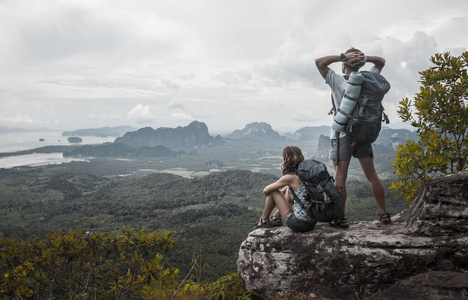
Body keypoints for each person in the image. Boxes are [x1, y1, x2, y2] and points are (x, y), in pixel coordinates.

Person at [315, 47, 391, 226]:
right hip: (363, 133)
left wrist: (344, 57)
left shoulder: (338, 81)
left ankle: (340, 217)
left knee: (340, 176)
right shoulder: (368, 79)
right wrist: (364, 58)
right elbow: (381, 62)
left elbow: (319, 62)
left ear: (343, 66)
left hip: (342, 134)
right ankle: (384, 213)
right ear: (359, 64)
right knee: (372, 175)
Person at [254, 146, 316, 232]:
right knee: (287, 188)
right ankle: (276, 217)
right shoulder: (304, 175)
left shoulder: (289, 178)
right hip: (311, 223)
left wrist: (277, 193)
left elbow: (266, 191)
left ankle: (264, 220)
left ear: (286, 160)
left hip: (298, 224)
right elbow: (289, 190)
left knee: (274, 191)